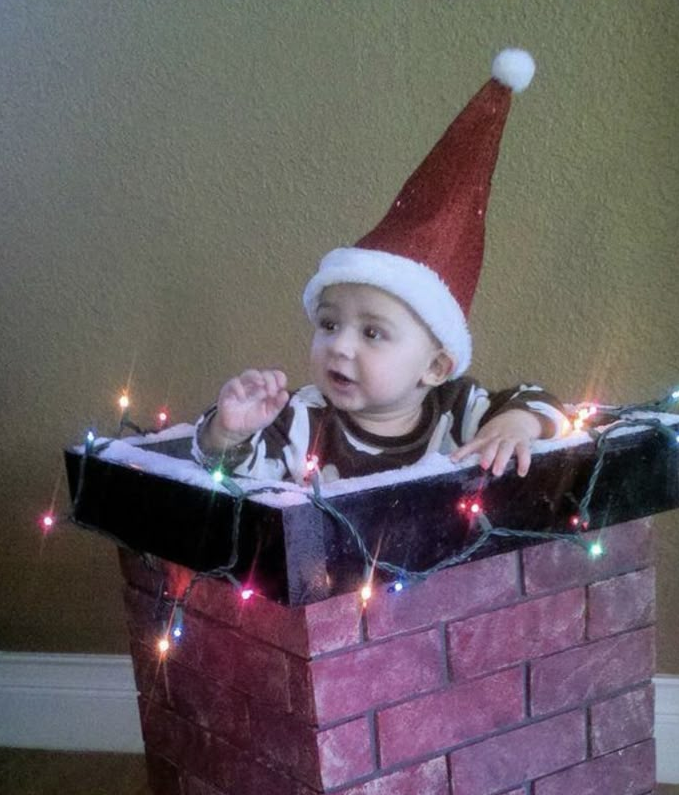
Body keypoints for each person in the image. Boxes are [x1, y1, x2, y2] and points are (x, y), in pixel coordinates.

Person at [192, 48, 567, 486]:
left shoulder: (458, 409)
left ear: (436, 368)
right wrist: (229, 431)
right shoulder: (301, 420)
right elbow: (230, 470)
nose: (340, 346)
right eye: (330, 324)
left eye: (372, 333)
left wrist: (516, 425)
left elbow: (542, 402)